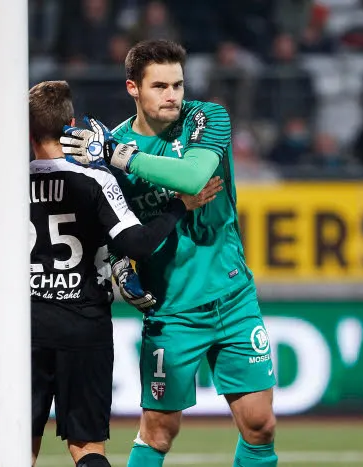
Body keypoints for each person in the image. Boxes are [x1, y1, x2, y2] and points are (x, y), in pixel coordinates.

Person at [60, 40, 278, 467]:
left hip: (233, 299)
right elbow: (107, 230)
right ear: (133, 88)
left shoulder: (206, 117)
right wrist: (121, 266)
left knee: (260, 424)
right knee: (159, 431)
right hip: (172, 310)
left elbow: (194, 176)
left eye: (177, 84)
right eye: (159, 85)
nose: (173, 95)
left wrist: (118, 156)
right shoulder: (110, 150)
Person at [27, 80, 221, 467]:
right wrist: (179, 206)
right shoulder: (96, 179)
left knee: (19, 444)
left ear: (26, 130)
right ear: (70, 124)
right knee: (86, 447)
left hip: (27, 326)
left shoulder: (9, 184)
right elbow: (138, 245)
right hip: (84, 322)